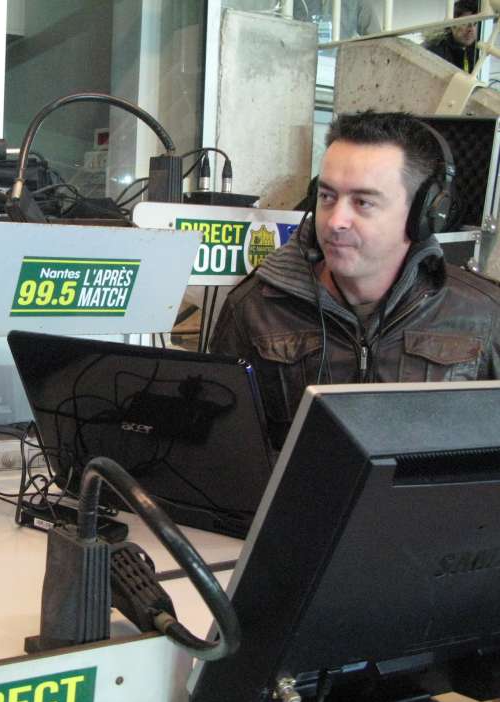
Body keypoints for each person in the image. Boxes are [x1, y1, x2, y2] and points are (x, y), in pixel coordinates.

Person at [210, 110, 500, 449]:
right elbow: (224, 457)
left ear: (425, 215)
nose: (336, 221)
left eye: (363, 202)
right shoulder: (253, 309)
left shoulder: (485, 315)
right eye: (327, 196)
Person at [424, 0, 480, 73]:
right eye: (465, 23)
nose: (471, 29)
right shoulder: (435, 52)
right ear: (452, 25)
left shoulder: (479, 49)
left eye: (475, 23)